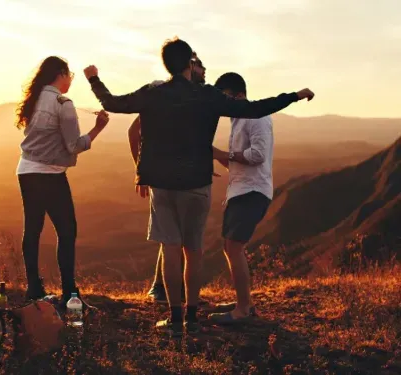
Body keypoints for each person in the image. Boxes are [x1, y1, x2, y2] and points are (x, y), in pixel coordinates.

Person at [84, 38, 314, 337]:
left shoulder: (153, 94)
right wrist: (294, 95)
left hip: (163, 183)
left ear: (166, 64)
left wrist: (94, 79)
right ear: (189, 65)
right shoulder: (207, 96)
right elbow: (256, 109)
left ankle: (175, 319)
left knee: (170, 249)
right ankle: (192, 317)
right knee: (194, 251)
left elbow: (113, 103)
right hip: (197, 183)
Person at [15, 56, 110, 310]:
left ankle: (34, 289)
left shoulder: (34, 99)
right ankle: (70, 294)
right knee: (67, 231)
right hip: (51, 174)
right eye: (70, 76)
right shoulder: (63, 103)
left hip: (26, 170)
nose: (70, 81)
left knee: (33, 229)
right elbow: (74, 145)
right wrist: (98, 128)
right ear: (61, 74)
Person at [128, 52, 207, 304]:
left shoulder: (191, 97)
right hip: (167, 178)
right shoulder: (163, 94)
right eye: (201, 66)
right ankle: (163, 290)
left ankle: (171, 294)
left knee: (175, 238)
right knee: (173, 238)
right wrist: (142, 171)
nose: (205, 72)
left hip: (181, 175)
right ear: (189, 67)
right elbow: (134, 131)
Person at [208, 72, 278, 324]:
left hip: (253, 191)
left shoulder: (256, 116)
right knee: (231, 247)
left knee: (234, 247)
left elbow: (258, 155)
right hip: (241, 190)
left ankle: (243, 310)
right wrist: (217, 156)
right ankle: (242, 300)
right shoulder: (237, 120)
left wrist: (222, 152)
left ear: (238, 95)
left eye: (224, 96)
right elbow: (240, 162)